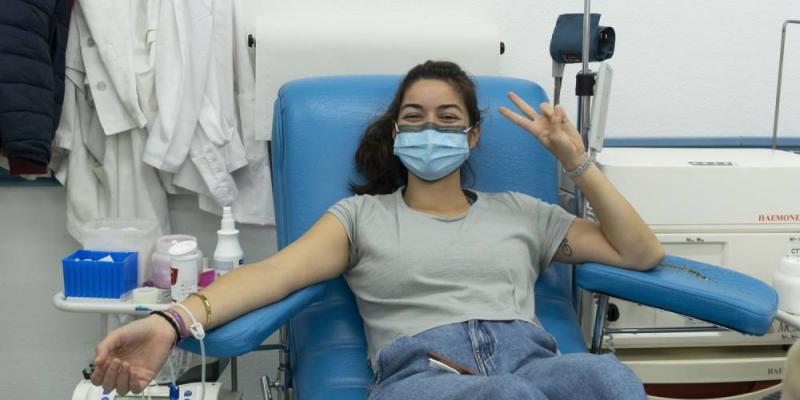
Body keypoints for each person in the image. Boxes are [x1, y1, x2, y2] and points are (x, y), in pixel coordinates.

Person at [90, 60, 664, 399]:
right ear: (395, 134)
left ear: (472, 137)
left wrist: (575, 160)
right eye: (414, 117)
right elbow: (273, 275)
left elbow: (638, 252)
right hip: (424, 372)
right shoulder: (360, 218)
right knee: (507, 397)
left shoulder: (521, 211)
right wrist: (172, 319)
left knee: (604, 378)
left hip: (531, 361)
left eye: (448, 119)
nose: (429, 128)